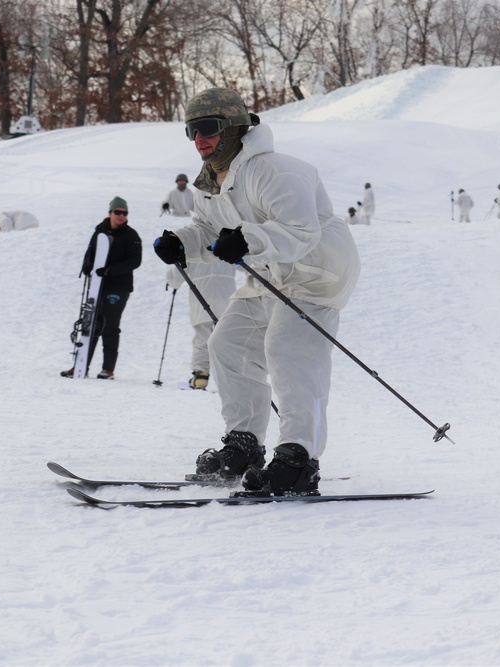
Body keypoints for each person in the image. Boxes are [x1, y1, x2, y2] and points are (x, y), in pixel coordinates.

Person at [152, 87, 360, 497]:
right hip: (269, 273)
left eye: (207, 128)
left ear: (233, 128)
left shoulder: (277, 170)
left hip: (315, 272)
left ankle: (300, 459)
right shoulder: (211, 183)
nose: (199, 139)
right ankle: (245, 444)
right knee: (228, 344)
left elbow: (301, 231)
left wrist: (245, 241)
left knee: (288, 350)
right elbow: (211, 231)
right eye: (191, 131)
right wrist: (183, 243)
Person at [60, 196, 142, 380]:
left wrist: (110, 271)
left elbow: (135, 261)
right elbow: (91, 252)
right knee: (91, 323)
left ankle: (108, 369)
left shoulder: (131, 235)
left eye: (124, 213)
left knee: (110, 325)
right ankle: (81, 365)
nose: (121, 216)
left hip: (119, 287)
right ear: (110, 213)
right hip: (98, 286)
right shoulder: (100, 231)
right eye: (117, 212)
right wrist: (87, 266)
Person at [166, 262, 237, 389]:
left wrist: (171, 281)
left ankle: (201, 376)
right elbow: (247, 261)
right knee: (227, 337)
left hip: (201, 296)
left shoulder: (193, 246)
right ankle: (231, 374)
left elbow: (176, 276)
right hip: (226, 296)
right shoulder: (227, 242)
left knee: (202, 336)